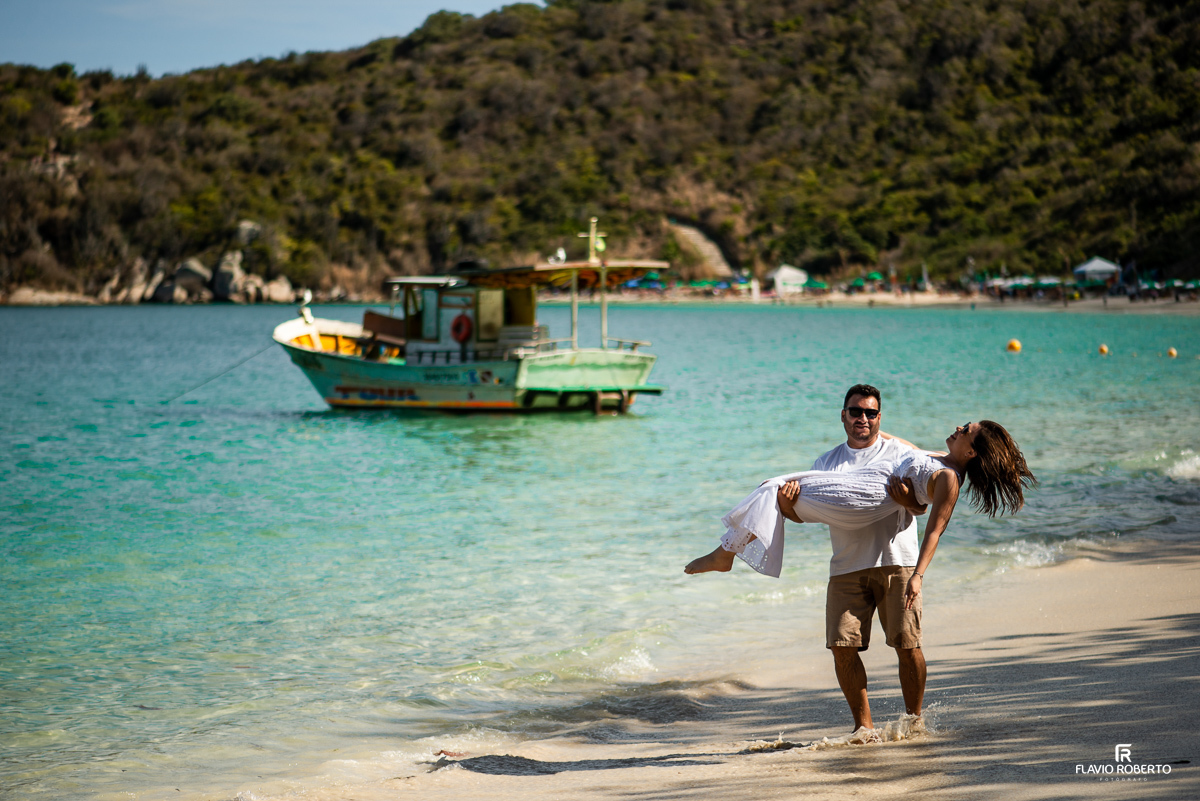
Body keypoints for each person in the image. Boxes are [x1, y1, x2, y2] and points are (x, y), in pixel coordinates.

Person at [684, 384, 1035, 734]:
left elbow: (931, 518)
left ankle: (914, 721)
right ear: (844, 415)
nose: (863, 419)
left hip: (897, 562)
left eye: (870, 413)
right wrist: (789, 507)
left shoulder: (908, 455)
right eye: (856, 412)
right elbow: (810, 513)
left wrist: (916, 552)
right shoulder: (830, 461)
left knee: (907, 644)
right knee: (840, 645)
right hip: (847, 565)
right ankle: (863, 729)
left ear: (880, 417)